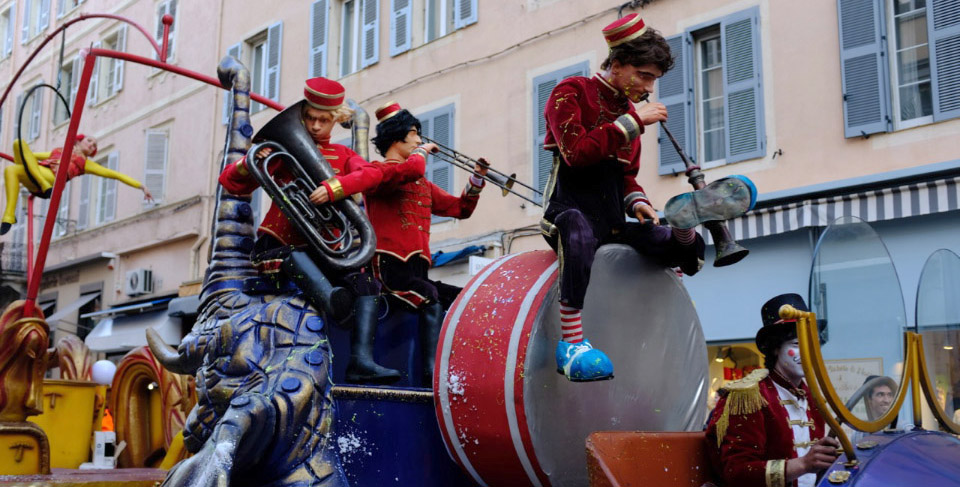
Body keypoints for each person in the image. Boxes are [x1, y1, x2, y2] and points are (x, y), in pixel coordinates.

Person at [540, 14, 754, 382]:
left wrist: (637, 203)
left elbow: (626, 176)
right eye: (644, 75)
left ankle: (684, 224)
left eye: (653, 78)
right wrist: (633, 121)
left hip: (610, 221)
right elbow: (576, 154)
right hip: (567, 210)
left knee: (669, 240)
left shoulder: (629, 113)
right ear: (617, 65)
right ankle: (571, 345)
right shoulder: (570, 92)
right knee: (577, 230)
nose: (648, 86)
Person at [219, 77, 417, 384]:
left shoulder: (343, 154)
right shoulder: (279, 151)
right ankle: (333, 303)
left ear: (335, 120)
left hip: (325, 248)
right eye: (309, 118)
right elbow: (231, 182)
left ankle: (361, 361)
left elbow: (371, 175)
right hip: (279, 246)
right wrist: (248, 163)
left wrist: (336, 187)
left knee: (367, 286)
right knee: (296, 257)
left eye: (323, 120)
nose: (314, 126)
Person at [362, 101, 487, 386]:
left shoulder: (421, 183)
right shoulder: (379, 171)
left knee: (462, 298)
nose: (421, 140)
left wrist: (477, 179)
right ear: (397, 138)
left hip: (418, 268)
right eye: (415, 133)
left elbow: (460, 209)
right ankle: (431, 373)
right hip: (390, 263)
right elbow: (411, 169)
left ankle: (463, 368)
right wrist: (420, 153)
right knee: (429, 295)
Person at [705, 293, 840, 487]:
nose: (808, 353)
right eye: (797, 344)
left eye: (812, 345)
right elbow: (737, 472)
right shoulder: (748, 397)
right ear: (776, 348)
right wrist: (802, 464)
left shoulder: (811, 396)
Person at [2, 134, 154, 234]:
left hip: (51, 180)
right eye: (89, 141)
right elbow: (26, 155)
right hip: (37, 179)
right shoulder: (57, 151)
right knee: (13, 161)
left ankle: (44, 184)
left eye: (94, 145)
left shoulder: (86, 164)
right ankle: (9, 215)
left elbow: (115, 175)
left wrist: (142, 187)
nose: (92, 145)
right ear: (79, 140)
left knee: (17, 165)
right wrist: (25, 156)